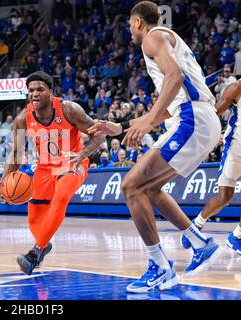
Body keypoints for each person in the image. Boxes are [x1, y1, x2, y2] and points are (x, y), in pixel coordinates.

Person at [89, 1, 222, 293]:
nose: (130, 31)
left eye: (129, 25)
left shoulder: (152, 37)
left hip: (193, 119)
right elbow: (171, 102)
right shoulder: (166, 40)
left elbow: (174, 78)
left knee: (131, 187)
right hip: (194, 118)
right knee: (150, 189)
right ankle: (200, 243)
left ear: (138, 22)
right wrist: (122, 127)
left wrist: (148, 122)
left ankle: (161, 268)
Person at [0, 71, 104, 275]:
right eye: (31, 90)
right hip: (45, 167)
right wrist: (4, 181)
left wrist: (82, 153)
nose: (35, 94)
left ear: (51, 92)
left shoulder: (69, 109)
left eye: (40, 89)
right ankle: (43, 243)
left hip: (72, 162)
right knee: (34, 217)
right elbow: (17, 153)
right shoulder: (23, 118)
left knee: (61, 196)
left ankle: (35, 252)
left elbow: (99, 136)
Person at [180, 80, 241, 254]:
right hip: (235, 149)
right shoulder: (236, 87)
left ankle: (236, 236)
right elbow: (214, 114)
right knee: (224, 198)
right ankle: (196, 225)